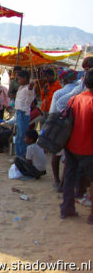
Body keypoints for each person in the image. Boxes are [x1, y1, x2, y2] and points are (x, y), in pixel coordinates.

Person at [60, 69, 93, 224]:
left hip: (71, 145)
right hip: (89, 148)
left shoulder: (74, 99)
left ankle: (67, 208)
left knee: (69, 177)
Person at [49, 69, 79, 189]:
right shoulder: (80, 91)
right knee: (68, 158)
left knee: (56, 155)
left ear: (64, 80)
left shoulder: (58, 93)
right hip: (74, 127)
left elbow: (52, 113)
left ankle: (57, 180)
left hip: (59, 127)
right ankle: (64, 183)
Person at [14, 70, 35, 157]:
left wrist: (31, 84)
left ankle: (22, 155)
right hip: (18, 113)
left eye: (19, 79)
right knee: (19, 136)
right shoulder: (20, 87)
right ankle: (18, 155)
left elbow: (30, 88)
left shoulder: (28, 88)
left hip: (23, 113)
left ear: (25, 78)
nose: (18, 81)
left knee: (23, 136)